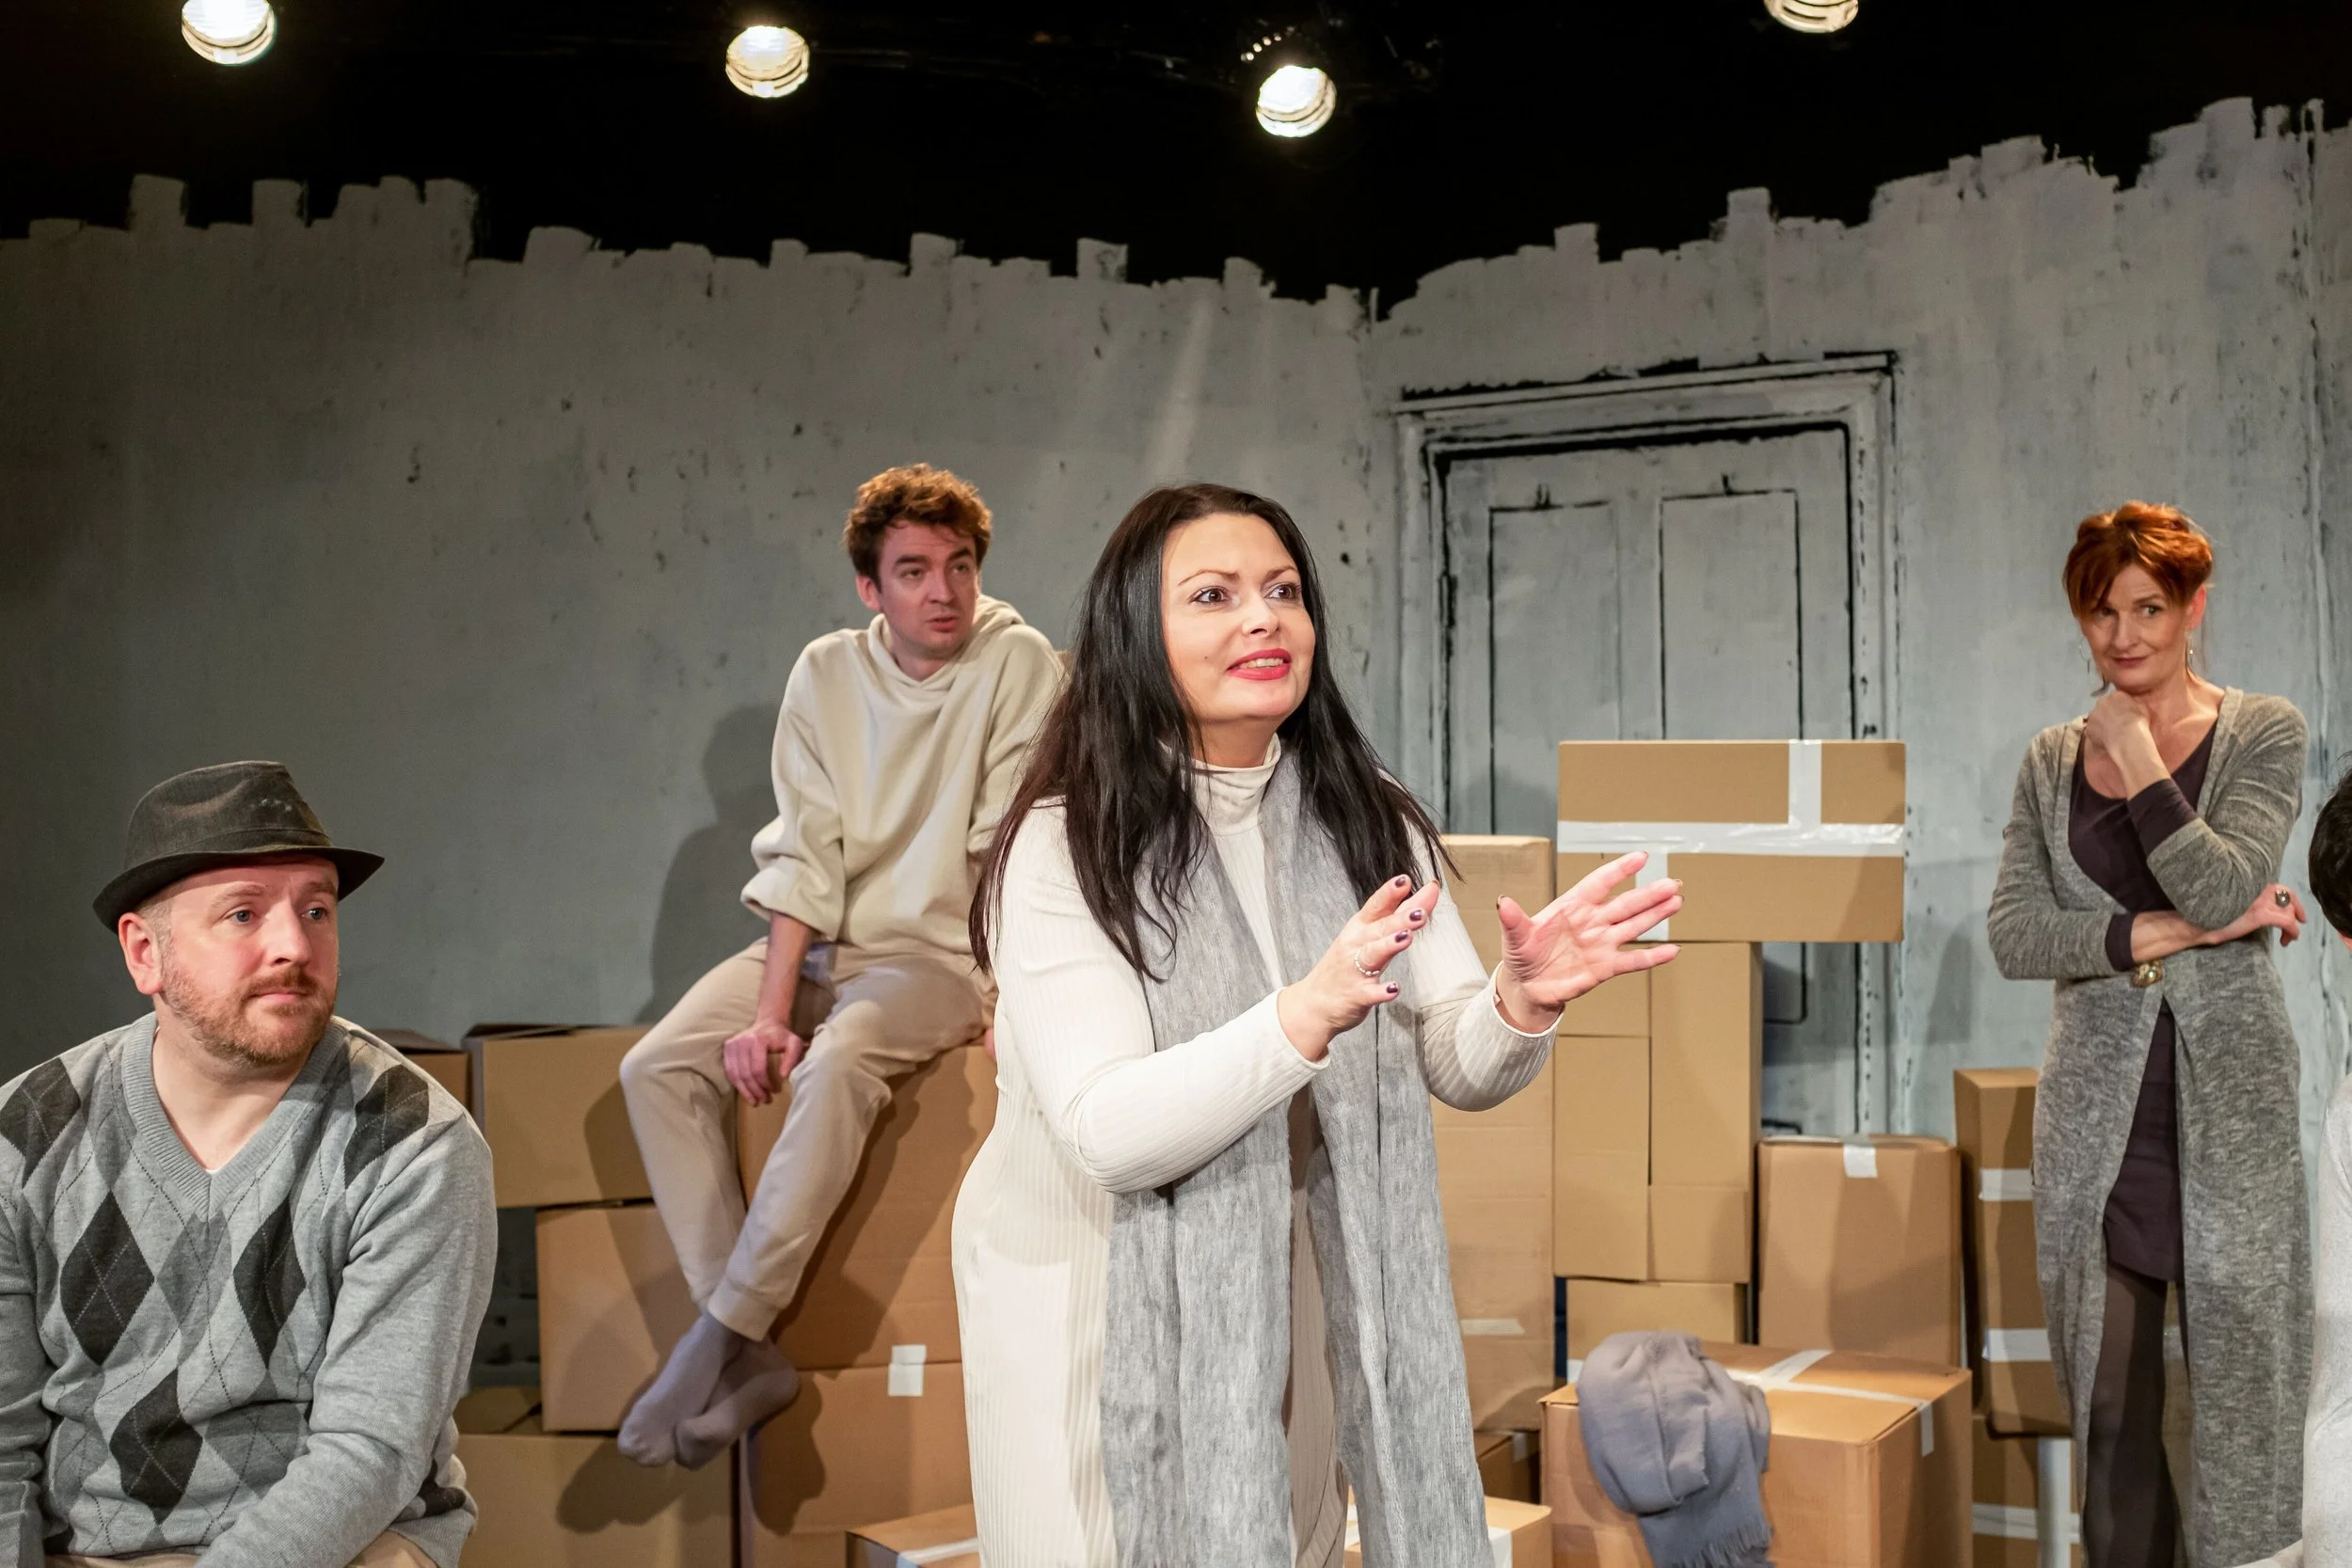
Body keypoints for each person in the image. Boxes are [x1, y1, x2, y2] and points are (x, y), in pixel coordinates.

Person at [952, 483, 1681, 1568]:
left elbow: (1454, 1056)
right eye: (1213, 595)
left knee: (1284, 1539)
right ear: (1135, 632)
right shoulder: (1067, 843)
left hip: (1284, 1263)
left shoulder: (1359, 811)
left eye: (1283, 590)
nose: (1263, 618)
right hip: (1087, 1291)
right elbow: (1108, 1131)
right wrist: (1301, 1013)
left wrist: (1519, 1003)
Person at [616, 463, 1061, 1468]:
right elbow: (804, 858)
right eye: (914, 571)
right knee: (656, 1066)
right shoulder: (825, 672)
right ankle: (753, 1354)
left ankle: (719, 1333)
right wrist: (770, 1012)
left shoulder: (1019, 661)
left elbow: (1014, 848)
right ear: (870, 588)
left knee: (844, 1055)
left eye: (960, 565)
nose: (944, 591)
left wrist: (1010, 996)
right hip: (820, 944)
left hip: (935, 956)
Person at [0, 761, 496, 1568]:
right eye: (243, 913)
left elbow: (370, 1448)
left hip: (343, 1546)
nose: (294, 945)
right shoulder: (24, 1135)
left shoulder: (414, 1143)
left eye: (316, 909)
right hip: (93, 1548)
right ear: (144, 952)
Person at [1987, 502, 2310, 1568]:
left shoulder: (2264, 731)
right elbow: (2016, 933)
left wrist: (2136, 755)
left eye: (2148, 609)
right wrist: (2178, 931)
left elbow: (2220, 876)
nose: (2122, 636)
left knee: (2241, 1414)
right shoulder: (2048, 760)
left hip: (2230, 1117)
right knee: (2111, 1408)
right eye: (2100, 611)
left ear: (2193, 608)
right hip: (2099, 1131)